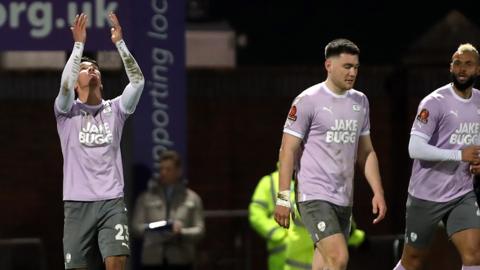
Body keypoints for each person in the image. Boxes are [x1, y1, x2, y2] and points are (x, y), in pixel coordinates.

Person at [274, 38, 387, 270]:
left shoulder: (360, 101)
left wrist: (378, 191)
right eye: (347, 66)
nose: (352, 72)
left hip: (344, 198)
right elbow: (287, 151)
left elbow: (366, 152)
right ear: (328, 65)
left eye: (356, 67)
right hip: (314, 196)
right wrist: (283, 198)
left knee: (325, 264)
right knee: (338, 258)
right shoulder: (308, 100)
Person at [55, 12, 144, 270]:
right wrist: (78, 44)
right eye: (84, 69)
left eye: (94, 68)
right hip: (76, 204)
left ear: (101, 83)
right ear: (76, 83)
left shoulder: (115, 110)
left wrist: (120, 43)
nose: (91, 69)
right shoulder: (66, 112)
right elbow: (63, 86)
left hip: (111, 201)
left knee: (116, 263)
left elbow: (137, 82)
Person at [394, 43, 480, 270]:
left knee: (474, 254)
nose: (462, 69)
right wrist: (460, 155)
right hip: (426, 195)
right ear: (451, 67)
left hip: (462, 193)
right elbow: (415, 148)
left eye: (468, 64)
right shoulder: (434, 102)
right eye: (457, 63)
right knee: (412, 261)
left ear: (478, 70)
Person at [132, 150, 205, 270]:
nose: (163, 172)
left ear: (178, 171)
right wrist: (156, 229)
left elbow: (200, 230)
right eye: (161, 169)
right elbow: (135, 227)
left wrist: (181, 233)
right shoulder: (145, 198)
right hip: (153, 259)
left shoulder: (192, 198)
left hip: (181, 260)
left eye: (168, 169)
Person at [248, 166, 291, 270]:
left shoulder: (310, 179)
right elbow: (256, 213)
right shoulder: (270, 181)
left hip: (311, 253)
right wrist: (276, 233)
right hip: (283, 254)